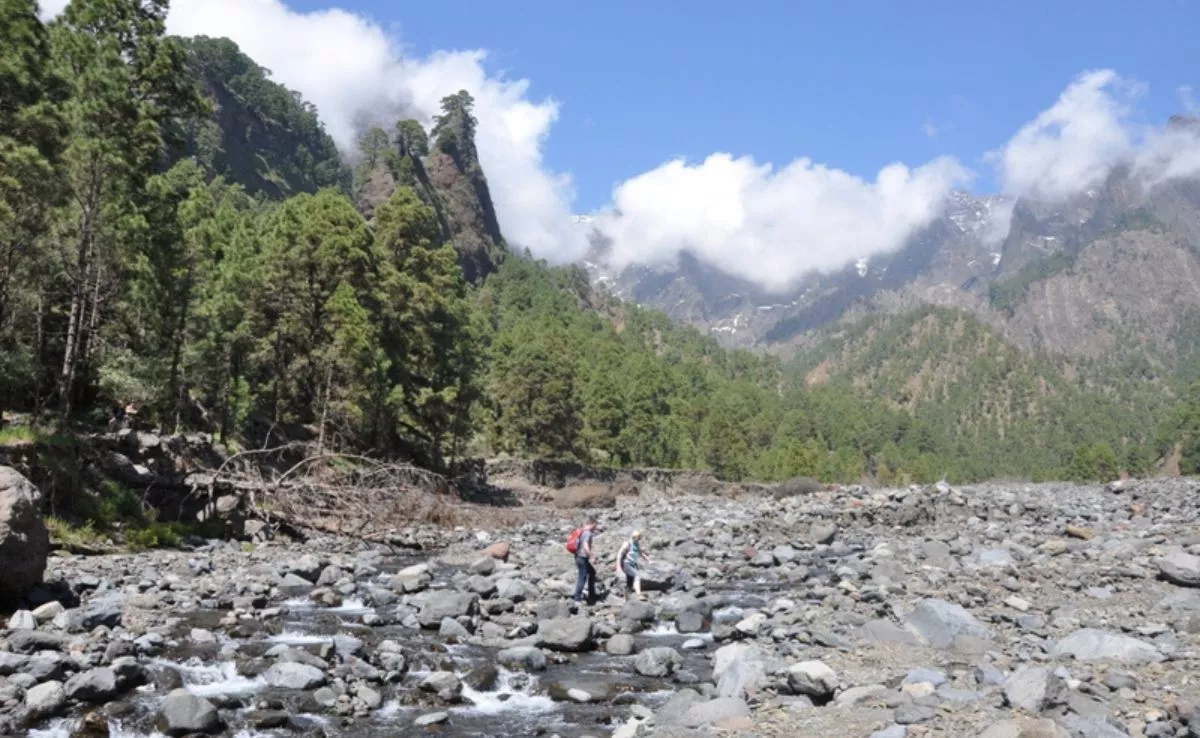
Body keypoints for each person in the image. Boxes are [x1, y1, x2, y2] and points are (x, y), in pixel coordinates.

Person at [572, 518, 599, 606]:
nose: (595, 528)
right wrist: (591, 556)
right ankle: (577, 599)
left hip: (579, 557)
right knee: (582, 577)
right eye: (595, 525)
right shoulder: (587, 533)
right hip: (582, 557)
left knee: (592, 572)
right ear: (591, 524)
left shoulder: (582, 531)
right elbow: (585, 546)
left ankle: (592, 594)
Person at [616, 530, 649, 599]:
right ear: (634, 537)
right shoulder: (627, 543)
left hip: (632, 564)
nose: (639, 539)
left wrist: (646, 558)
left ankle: (626, 598)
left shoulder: (636, 544)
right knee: (637, 575)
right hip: (626, 563)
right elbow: (619, 554)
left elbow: (640, 552)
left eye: (639, 538)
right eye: (638, 538)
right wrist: (618, 566)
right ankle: (639, 594)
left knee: (630, 582)